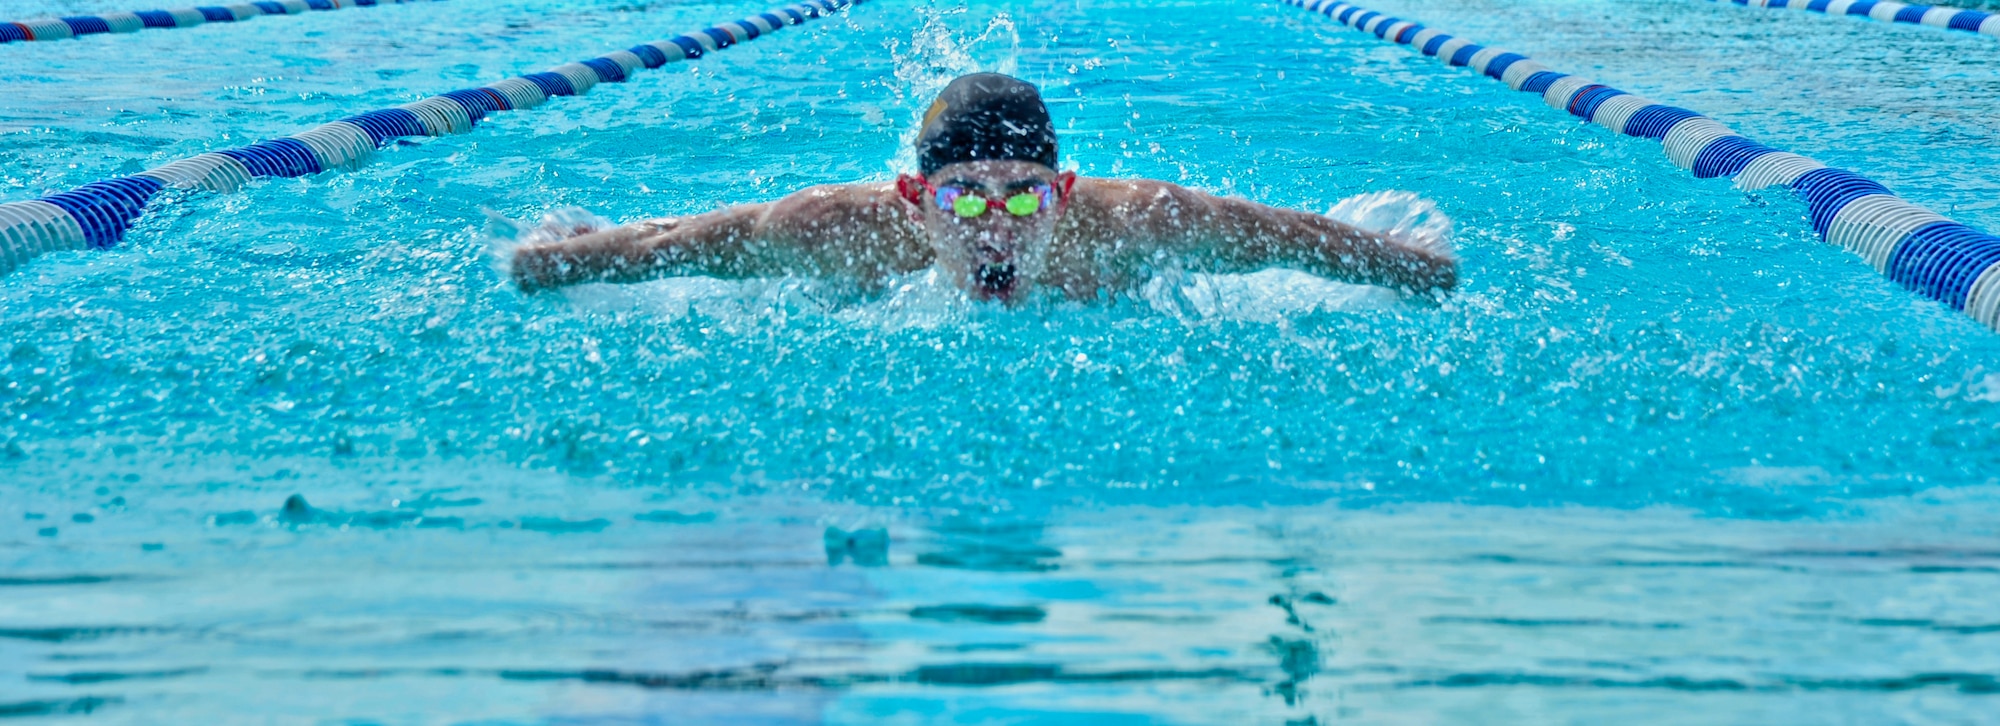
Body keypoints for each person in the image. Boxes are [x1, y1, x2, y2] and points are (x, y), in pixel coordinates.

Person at [509, 73, 1456, 303]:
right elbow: (676, 243)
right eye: (964, 196)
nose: (996, 225)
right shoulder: (834, 233)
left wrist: (1411, 266)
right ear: (913, 200)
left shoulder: (1139, 222)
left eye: (1023, 195)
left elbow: (1287, 236)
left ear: (1066, 191)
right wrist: (556, 261)